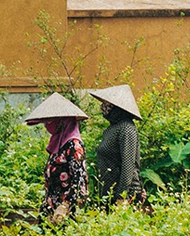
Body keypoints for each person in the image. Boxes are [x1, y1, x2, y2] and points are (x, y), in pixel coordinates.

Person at [25, 92, 90, 222]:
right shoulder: (58, 144)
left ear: (62, 121)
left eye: (50, 121)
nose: (47, 125)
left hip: (65, 214)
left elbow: (80, 182)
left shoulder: (74, 146)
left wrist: (65, 206)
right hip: (50, 210)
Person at [90, 84, 147, 208]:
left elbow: (128, 164)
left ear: (117, 107)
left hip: (124, 195)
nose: (103, 107)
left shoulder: (127, 129)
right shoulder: (111, 129)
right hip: (109, 192)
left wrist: (122, 195)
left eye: (107, 104)